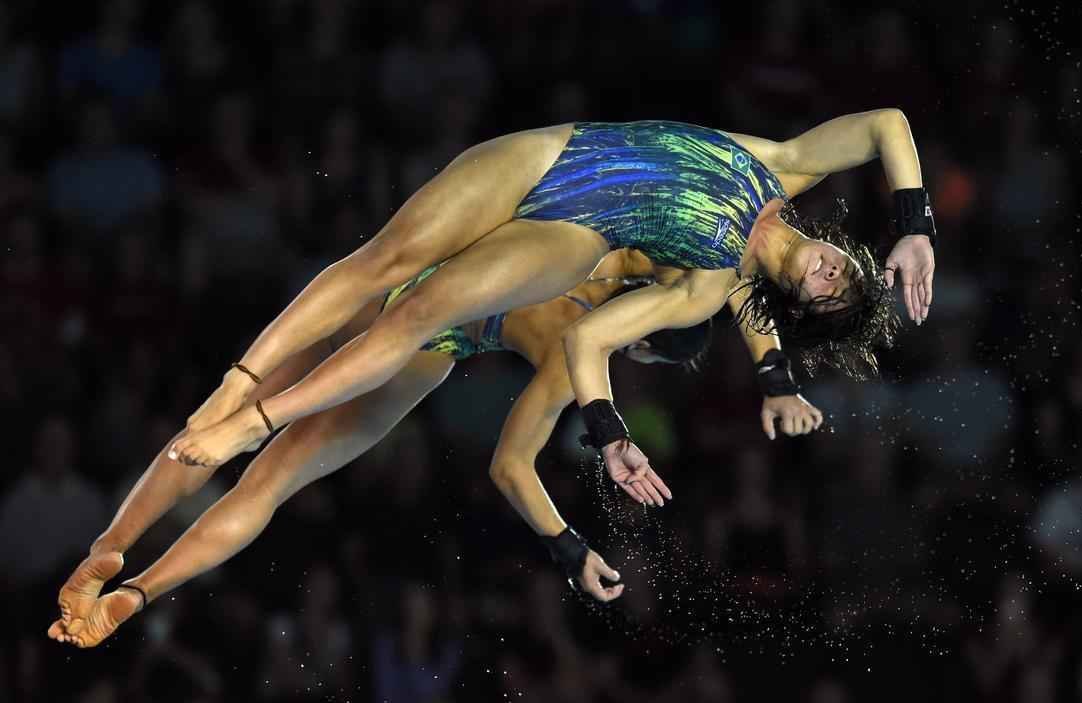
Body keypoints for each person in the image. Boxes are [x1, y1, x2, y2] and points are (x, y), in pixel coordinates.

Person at [47, 248, 823, 648]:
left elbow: (734, 274)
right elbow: (509, 467)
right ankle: (138, 596)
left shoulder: (620, 258)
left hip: (413, 297)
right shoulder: (578, 367)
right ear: (642, 347)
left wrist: (773, 373)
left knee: (228, 421)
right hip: (434, 344)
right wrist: (565, 544)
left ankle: (110, 547)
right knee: (266, 490)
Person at [166, 112, 935, 500]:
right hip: (551, 154)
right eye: (849, 267)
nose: (835, 270)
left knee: (419, 309)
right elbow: (886, 125)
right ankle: (240, 383)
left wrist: (609, 438)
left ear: (796, 300)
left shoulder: (707, 285)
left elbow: (590, 343)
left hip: (572, 234)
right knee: (383, 261)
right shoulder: (782, 168)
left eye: (832, 291)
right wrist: (913, 228)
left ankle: (257, 422)